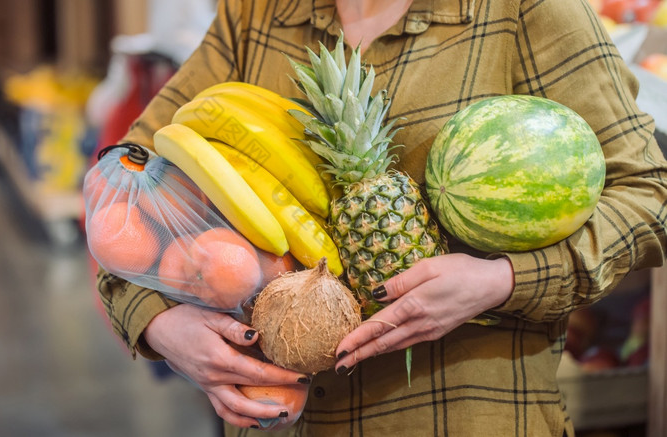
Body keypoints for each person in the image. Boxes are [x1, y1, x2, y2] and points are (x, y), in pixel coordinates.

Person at [95, 0, 667, 435]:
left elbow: (649, 192)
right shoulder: (258, 12)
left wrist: (501, 281)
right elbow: (123, 180)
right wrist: (157, 324)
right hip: (280, 414)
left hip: (461, 413)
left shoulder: (526, 11)